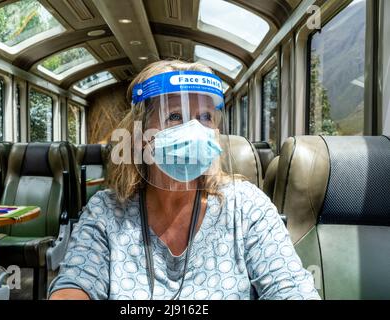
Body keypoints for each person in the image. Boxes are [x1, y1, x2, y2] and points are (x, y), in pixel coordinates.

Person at [49, 60, 320, 300]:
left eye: (205, 117)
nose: (194, 130)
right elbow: (75, 283)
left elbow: (289, 288)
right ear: (142, 133)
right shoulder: (107, 211)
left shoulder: (247, 207)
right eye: (175, 116)